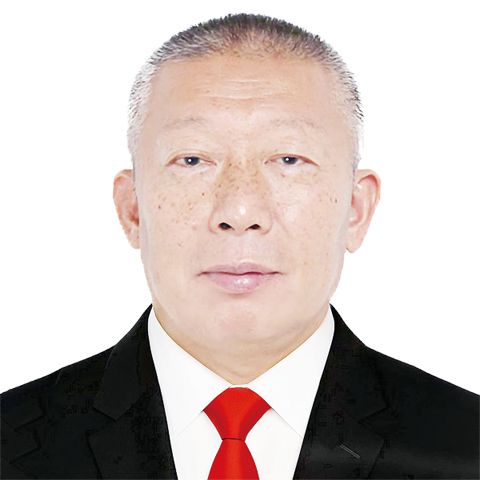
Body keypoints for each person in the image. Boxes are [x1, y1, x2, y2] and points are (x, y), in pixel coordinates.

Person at [1, 12, 478, 480]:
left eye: (288, 159)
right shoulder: (12, 443)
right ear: (133, 209)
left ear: (356, 208)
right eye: (192, 159)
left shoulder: (465, 445)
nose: (241, 210)